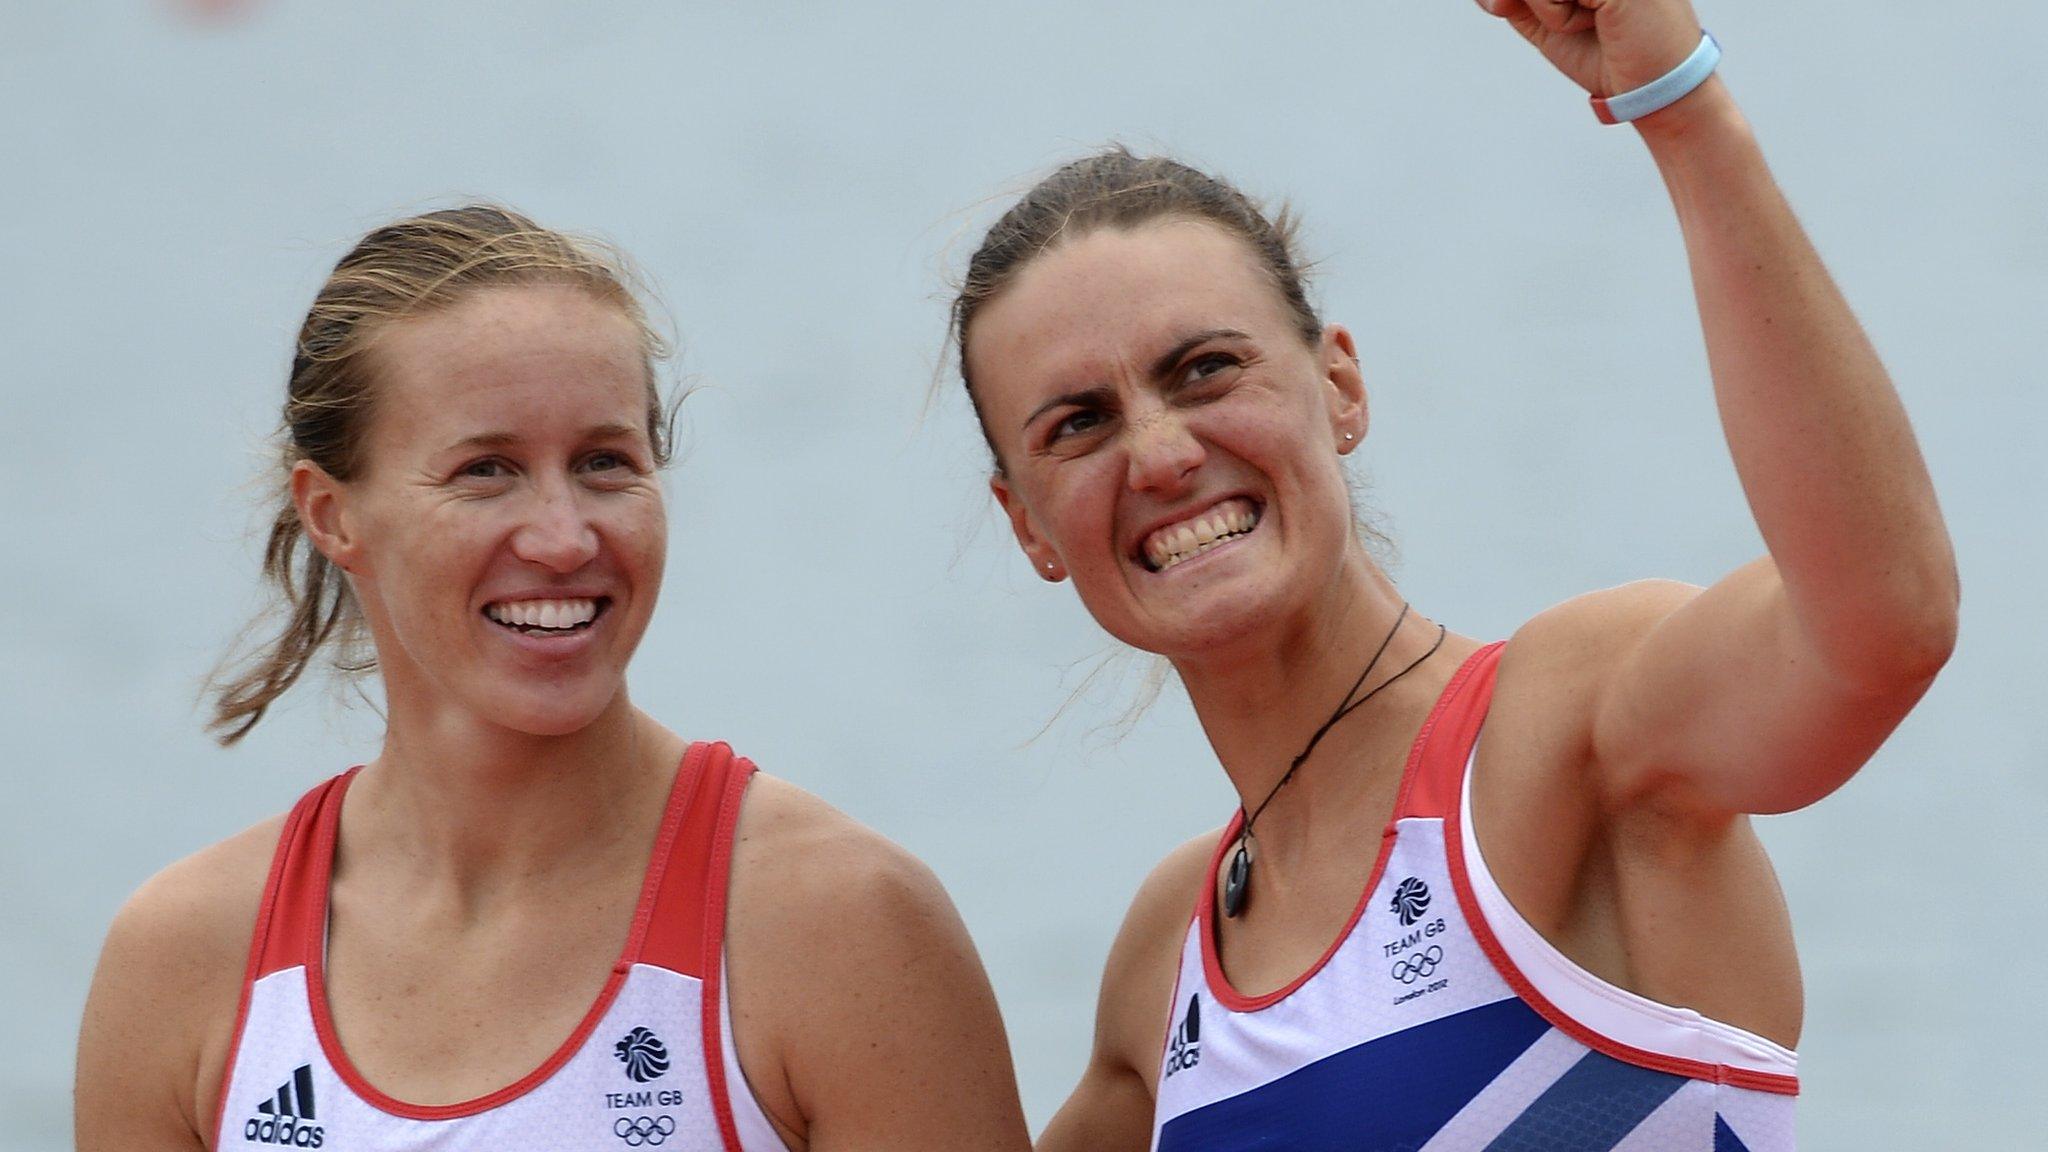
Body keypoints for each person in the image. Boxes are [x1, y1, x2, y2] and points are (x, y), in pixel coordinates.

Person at [947, 1, 1957, 1148]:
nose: (1162, 454)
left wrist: (1682, 110)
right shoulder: (1161, 969)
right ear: (1025, 523)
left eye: (1205, 369)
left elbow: (1882, 625)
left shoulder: (1566, 729)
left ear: (1340, 390)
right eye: (1078, 424)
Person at [76, 206, 1031, 1152]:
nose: (565, 538)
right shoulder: (183, 961)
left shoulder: (843, 926)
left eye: (605, 464)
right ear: (331, 514)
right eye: (485, 470)